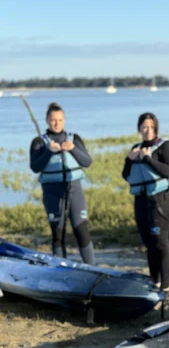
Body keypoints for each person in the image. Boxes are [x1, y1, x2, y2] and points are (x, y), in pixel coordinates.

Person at [29, 102, 95, 264]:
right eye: (53, 120)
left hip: (74, 190)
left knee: (82, 231)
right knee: (58, 234)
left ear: (64, 120)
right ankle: (61, 269)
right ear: (47, 121)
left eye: (60, 120)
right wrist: (48, 152)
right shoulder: (39, 142)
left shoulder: (74, 138)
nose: (56, 123)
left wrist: (72, 149)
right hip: (52, 192)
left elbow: (87, 162)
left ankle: (92, 268)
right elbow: (35, 167)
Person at [122, 112, 169, 292]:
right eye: (144, 127)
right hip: (141, 200)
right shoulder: (135, 148)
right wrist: (129, 160)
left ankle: (166, 286)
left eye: (151, 127)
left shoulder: (164, 146)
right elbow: (126, 175)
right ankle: (155, 281)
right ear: (139, 128)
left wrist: (147, 158)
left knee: (161, 242)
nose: (148, 130)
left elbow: (168, 171)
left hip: (159, 201)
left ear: (156, 128)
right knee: (149, 243)